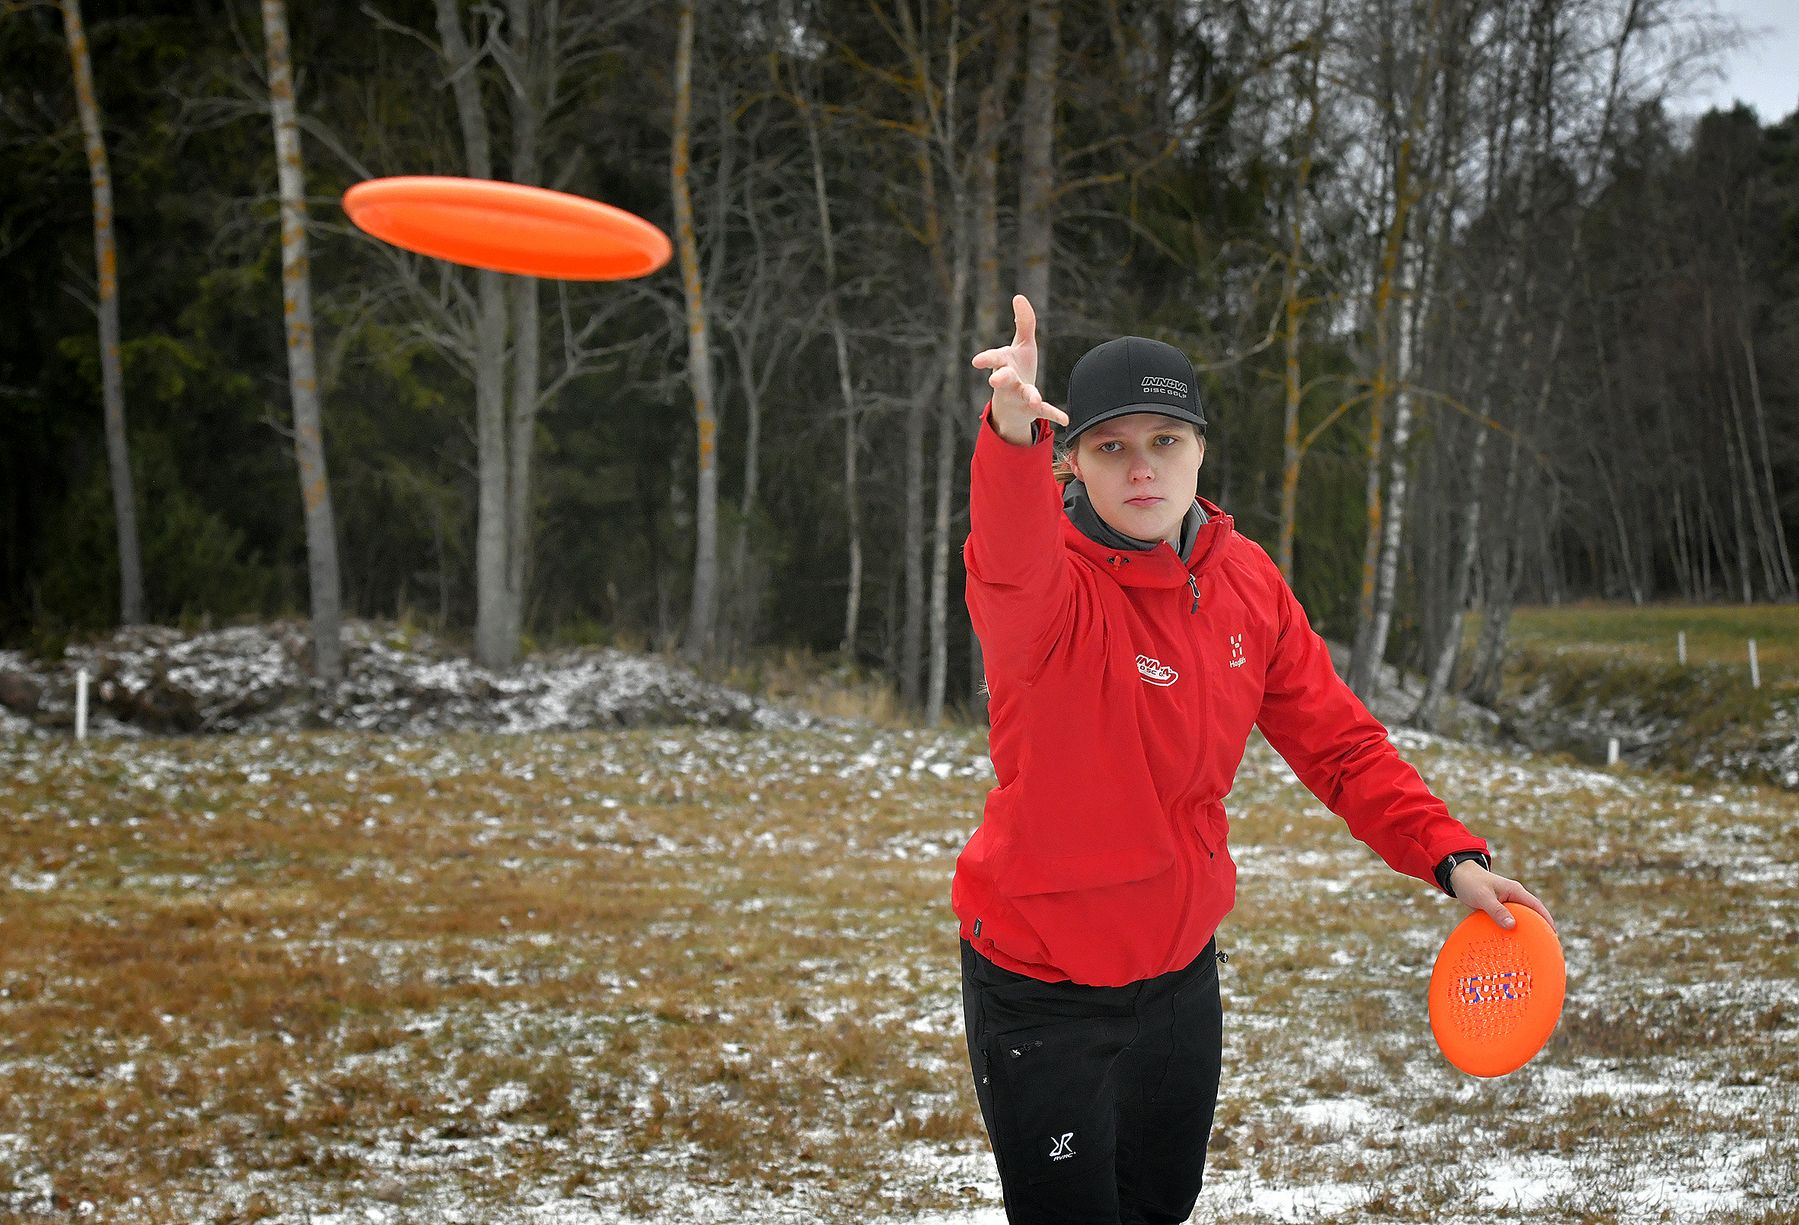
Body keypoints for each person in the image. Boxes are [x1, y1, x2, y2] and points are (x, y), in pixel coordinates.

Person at [955, 295, 1556, 1225]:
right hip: (1044, 992)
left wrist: (1448, 853)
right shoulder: (1047, 589)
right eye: (1111, 445)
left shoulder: (1243, 582)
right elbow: (1006, 551)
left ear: (1200, 448)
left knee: (1161, 1204)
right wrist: (1007, 430)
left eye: (1165, 439)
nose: (1142, 466)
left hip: (1180, 980)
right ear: (1070, 459)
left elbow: (1339, 740)